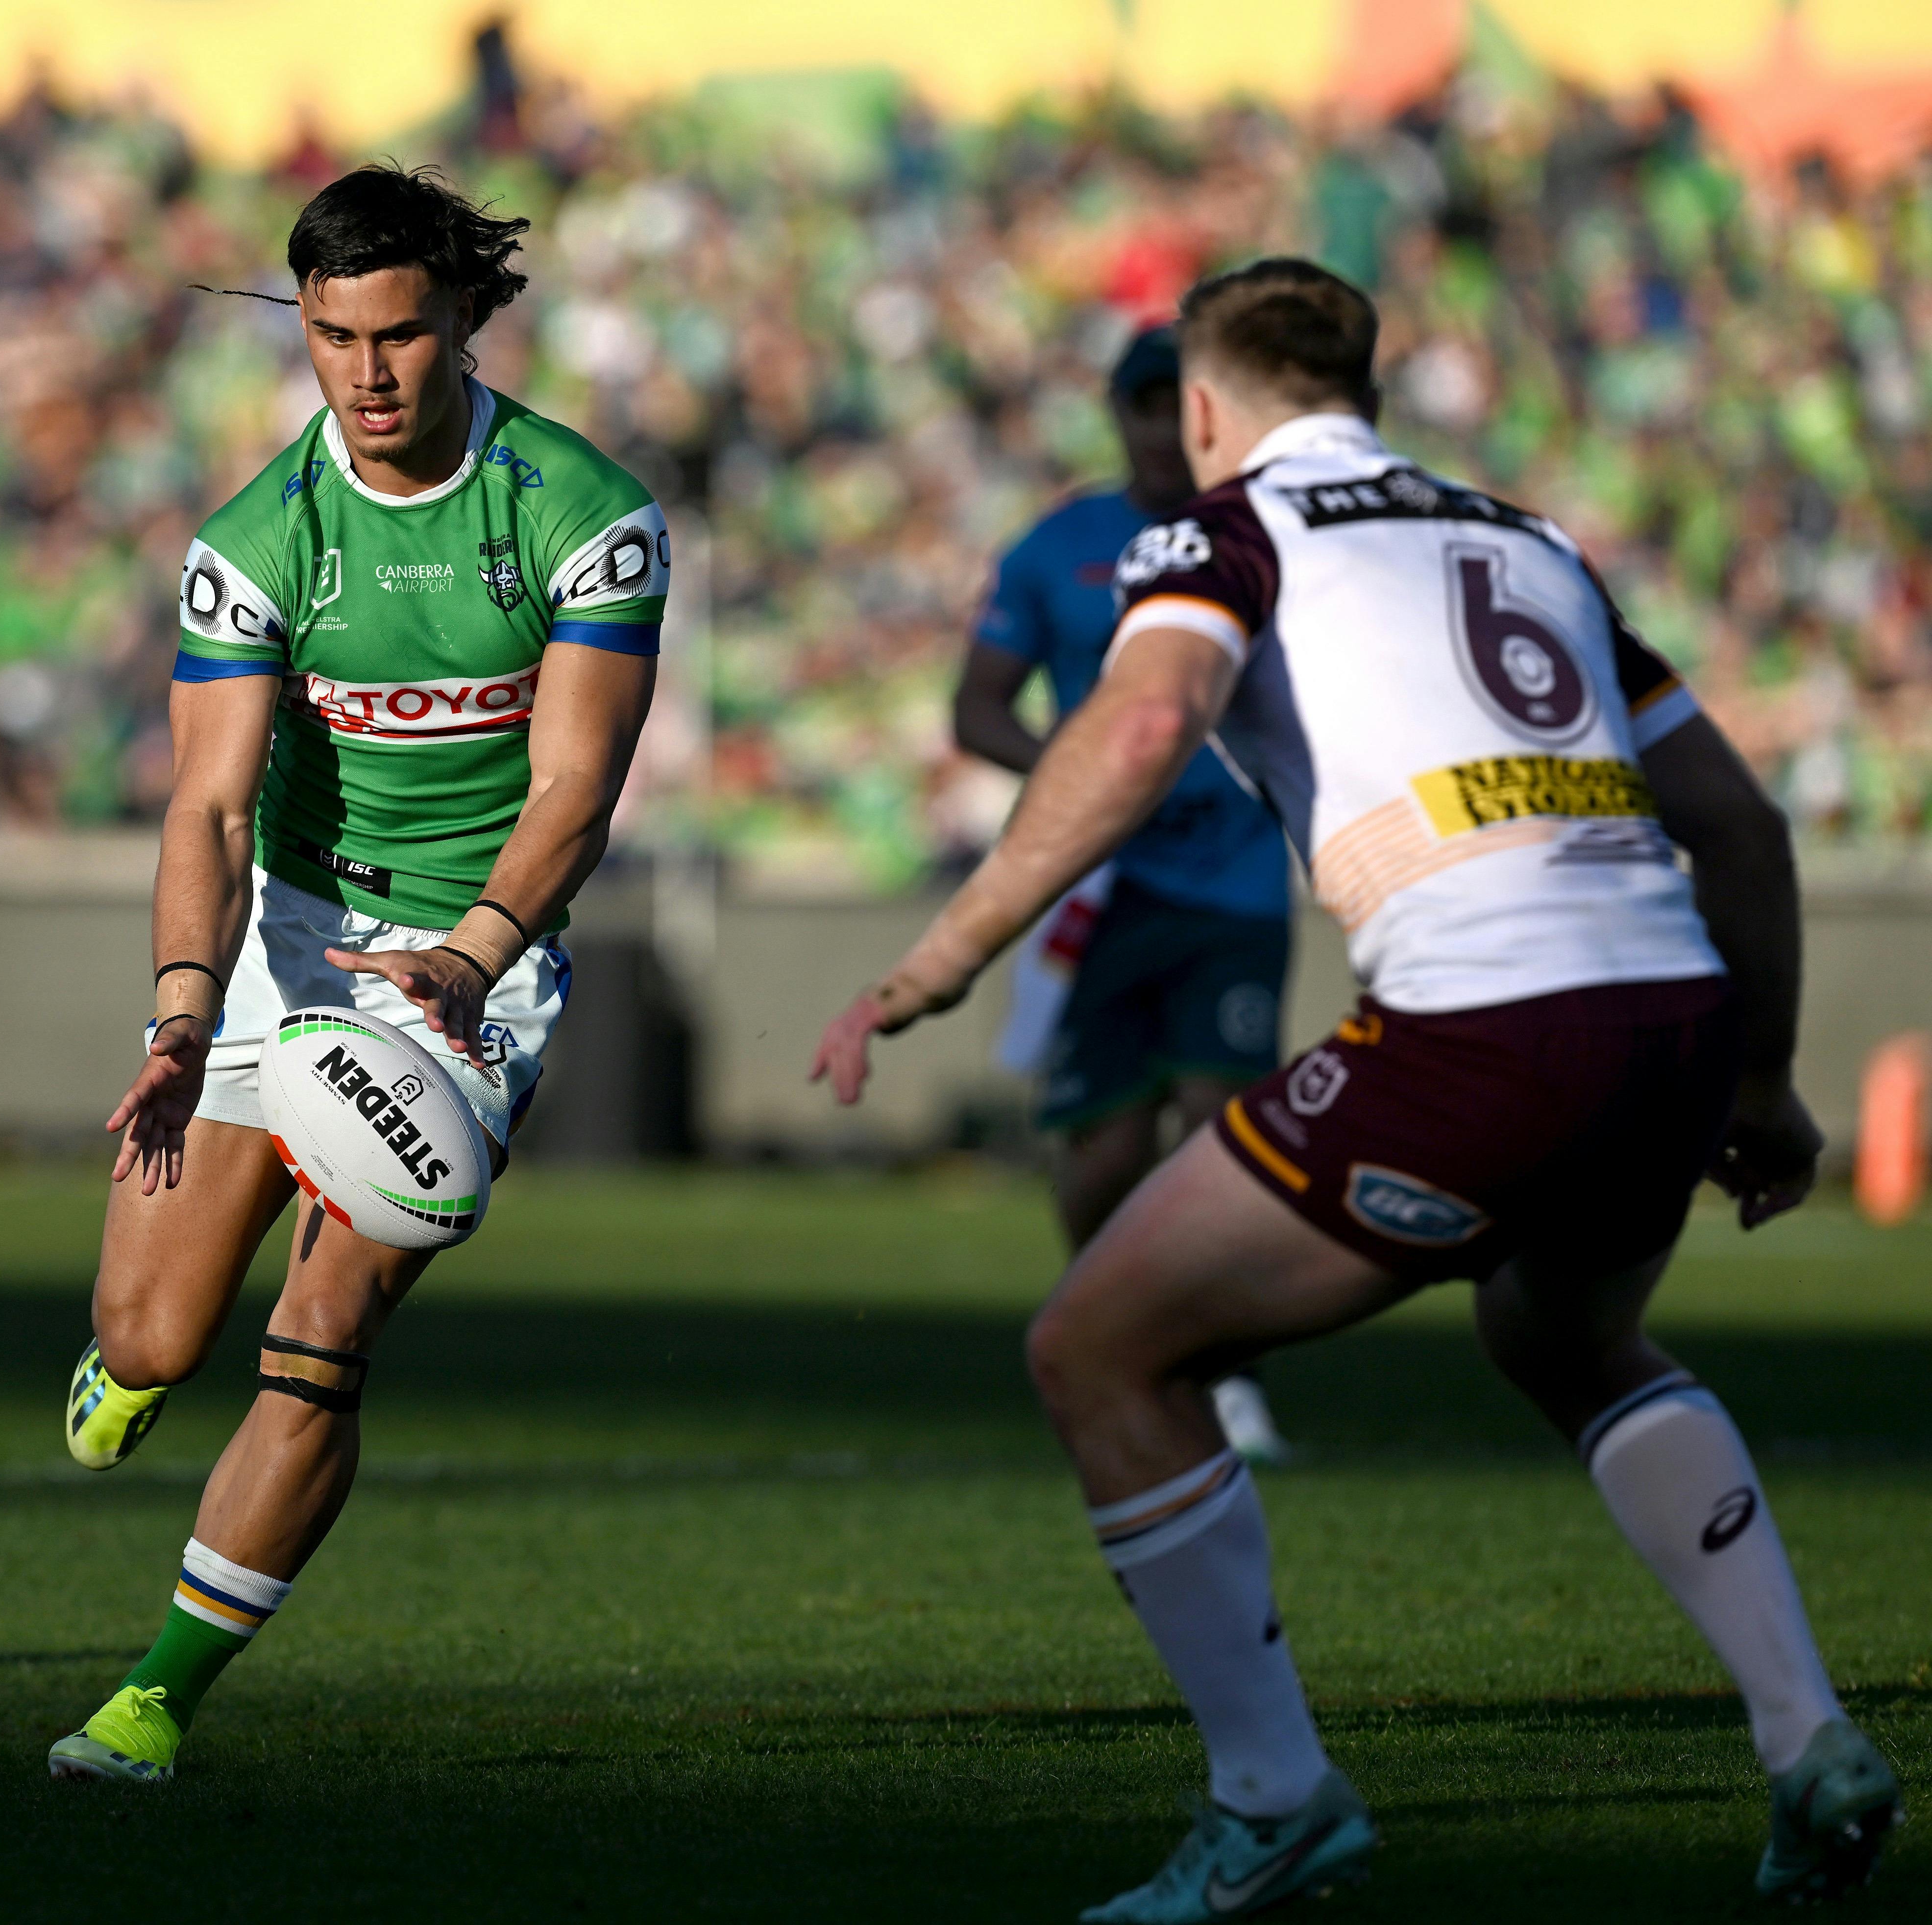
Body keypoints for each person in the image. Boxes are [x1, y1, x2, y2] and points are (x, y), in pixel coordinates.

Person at [813, 258, 1900, 1917]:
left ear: (1198, 405)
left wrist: (943, 953)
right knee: (1566, 1332)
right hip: (1668, 1012)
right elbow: (1739, 825)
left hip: (1485, 1027)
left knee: (1097, 1343)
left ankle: (1273, 1794)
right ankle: (1808, 1730)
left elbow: (1140, 722)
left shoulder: (1222, 528)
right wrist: (1761, 1073)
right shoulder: (1529, 539)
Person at [48, 164, 666, 1783]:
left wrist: (469, 958)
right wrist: (185, 1015)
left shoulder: (583, 514)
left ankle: (156, 1696)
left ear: (460, 316)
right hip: (289, 939)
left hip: (472, 966)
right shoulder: (259, 539)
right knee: (161, 1330)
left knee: (324, 1323)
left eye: (399, 334)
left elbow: (573, 793)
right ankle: (126, 1360)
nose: (369, 374)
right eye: (334, 339)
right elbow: (204, 801)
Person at [954, 325, 1294, 1464]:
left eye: (1176, 403)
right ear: (1121, 414)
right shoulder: (1061, 547)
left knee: (1217, 1130)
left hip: (1235, 885)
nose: (1161, 426)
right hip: (1101, 887)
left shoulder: (1261, 537)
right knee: (1100, 1155)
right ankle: (1114, 1332)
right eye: (1141, 404)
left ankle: (1224, 1369)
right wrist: (1077, 778)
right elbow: (979, 707)